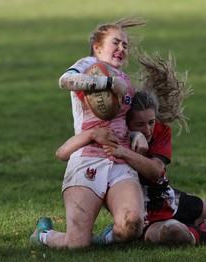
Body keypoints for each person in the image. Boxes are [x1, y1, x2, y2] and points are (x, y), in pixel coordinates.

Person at [56, 90, 206, 246]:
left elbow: (155, 171)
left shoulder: (160, 131)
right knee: (175, 235)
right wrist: (117, 143)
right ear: (126, 123)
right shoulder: (113, 137)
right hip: (148, 215)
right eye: (139, 124)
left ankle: (195, 225)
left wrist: (124, 152)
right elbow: (62, 153)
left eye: (151, 122)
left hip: (171, 198)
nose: (147, 130)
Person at [30, 17, 147, 249]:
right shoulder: (88, 64)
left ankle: (103, 238)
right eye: (115, 42)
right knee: (76, 245)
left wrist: (136, 135)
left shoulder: (126, 81)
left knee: (132, 225)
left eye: (125, 45)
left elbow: (123, 121)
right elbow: (65, 80)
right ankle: (42, 234)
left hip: (119, 160)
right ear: (97, 46)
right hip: (87, 158)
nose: (121, 48)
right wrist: (108, 83)